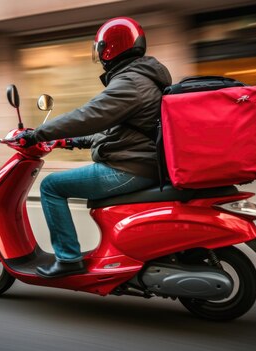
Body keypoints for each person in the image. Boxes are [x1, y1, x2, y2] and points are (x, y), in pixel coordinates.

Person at [16, 17, 172, 278]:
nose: (99, 55)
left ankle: (67, 259)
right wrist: (72, 141)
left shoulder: (130, 82)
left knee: (51, 186)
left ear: (109, 48)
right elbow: (117, 130)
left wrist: (37, 134)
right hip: (141, 162)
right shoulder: (142, 77)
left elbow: (89, 116)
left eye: (100, 48)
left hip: (130, 168)